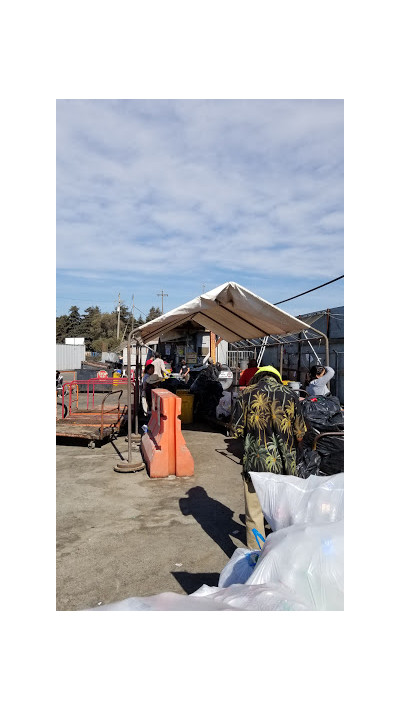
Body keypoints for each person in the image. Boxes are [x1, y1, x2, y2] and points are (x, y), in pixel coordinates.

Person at [231, 365, 307, 549]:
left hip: (255, 463)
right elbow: (300, 432)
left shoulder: (246, 394)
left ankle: (256, 555)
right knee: (282, 512)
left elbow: (236, 430)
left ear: (257, 377)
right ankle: (281, 553)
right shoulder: (290, 394)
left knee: (254, 512)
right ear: (276, 377)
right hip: (285, 465)